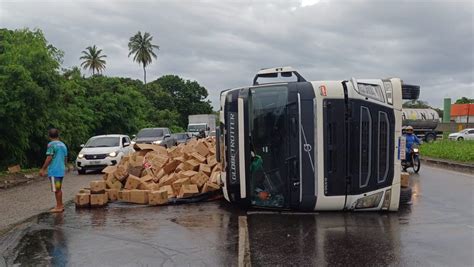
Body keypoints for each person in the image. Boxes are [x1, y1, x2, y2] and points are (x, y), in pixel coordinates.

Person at [39, 128, 68, 213]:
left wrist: (43, 168)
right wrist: (64, 166)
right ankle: (60, 205)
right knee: (59, 188)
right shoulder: (63, 145)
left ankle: (59, 207)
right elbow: (65, 158)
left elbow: (49, 157)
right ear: (58, 135)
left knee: (56, 189)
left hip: (54, 171)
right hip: (61, 170)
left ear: (49, 136)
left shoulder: (51, 145)